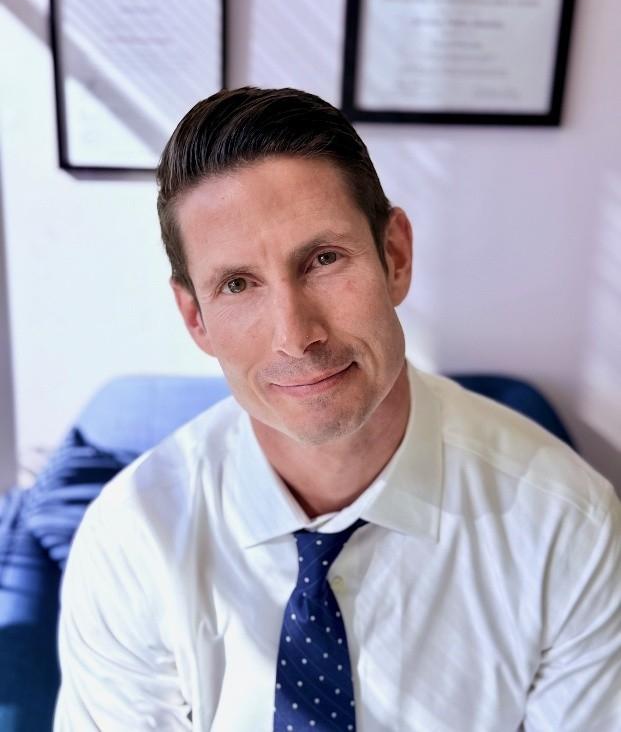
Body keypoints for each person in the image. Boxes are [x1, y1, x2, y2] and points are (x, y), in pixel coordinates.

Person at [54, 87, 621, 731]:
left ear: (395, 257)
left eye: (323, 259)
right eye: (237, 284)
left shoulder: (566, 526)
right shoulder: (132, 541)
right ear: (196, 318)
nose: (296, 336)